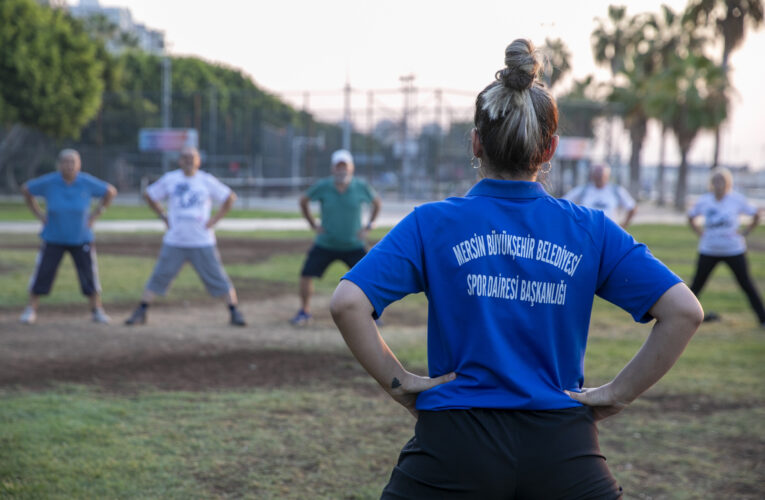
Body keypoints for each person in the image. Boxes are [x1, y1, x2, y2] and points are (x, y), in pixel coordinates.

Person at [330, 39, 703, 499]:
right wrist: (617, 393)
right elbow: (684, 311)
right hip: (562, 446)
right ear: (550, 150)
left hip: (453, 444)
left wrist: (400, 383)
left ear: (475, 142)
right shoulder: (590, 229)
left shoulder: (432, 223)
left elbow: (348, 302)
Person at [124, 146, 246, 326]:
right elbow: (149, 195)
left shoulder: (206, 180)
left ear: (198, 161)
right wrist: (163, 216)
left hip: (202, 240)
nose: (189, 160)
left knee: (217, 276)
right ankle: (141, 311)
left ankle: (234, 312)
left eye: (192, 157)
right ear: (179, 161)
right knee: (160, 275)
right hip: (175, 239)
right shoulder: (171, 179)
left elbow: (229, 197)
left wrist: (214, 220)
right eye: (185, 157)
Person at [19, 149, 117, 324]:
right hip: (53, 237)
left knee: (89, 275)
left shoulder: (86, 182)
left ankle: (97, 310)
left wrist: (96, 214)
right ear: (59, 164)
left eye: (73, 162)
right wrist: (39, 214)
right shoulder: (50, 182)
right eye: (66, 161)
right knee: (43, 273)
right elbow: (26, 190)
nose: (69, 165)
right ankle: (30, 309)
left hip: (81, 238)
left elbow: (110, 191)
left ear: (79, 164)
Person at [290, 149, 381, 326]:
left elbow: (377, 203)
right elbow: (304, 200)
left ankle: (373, 316)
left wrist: (369, 225)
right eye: (338, 167)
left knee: (370, 277)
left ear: (351, 168)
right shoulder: (323, 186)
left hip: (354, 244)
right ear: (333, 169)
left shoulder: (360, 186)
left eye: (344, 166)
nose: (342, 170)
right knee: (306, 274)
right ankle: (304, 312)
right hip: (326, 243)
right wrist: (312, 224)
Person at [687, 167, 764, 327]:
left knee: (746, 284)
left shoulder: (736, 199)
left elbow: (756, 214)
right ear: (711, 183)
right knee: (696, 285)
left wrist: (746, 231)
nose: (718, 184)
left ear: (728, 183)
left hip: (733, 250)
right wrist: (700, 233)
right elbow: (691, 216)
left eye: (722, 181)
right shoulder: (705, 200)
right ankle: (683, 315)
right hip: (709, 250)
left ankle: (762, 318)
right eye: (715, 181)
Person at [563, 164, 637, 228]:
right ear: (592, 175)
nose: (599, 178)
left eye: (601, 175)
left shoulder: (616, 190)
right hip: (588, 232)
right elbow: (563, 203)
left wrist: (623, 225)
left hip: (609, 232)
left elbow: (632, 207)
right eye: (597, 175)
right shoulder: (583, 190)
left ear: (607, 176)